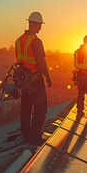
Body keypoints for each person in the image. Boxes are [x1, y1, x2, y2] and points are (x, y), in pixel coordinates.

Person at [15, 11, 52, 145]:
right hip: (35, 79)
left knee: (25, 108)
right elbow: (41, 62)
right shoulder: (36, 41)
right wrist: (48, 77)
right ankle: (35, 137)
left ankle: (26, 135)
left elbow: (20, 61)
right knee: (40, 107)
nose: (41, 27)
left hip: (24, 81)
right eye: (40, 25)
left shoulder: (19, 40)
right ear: (35, 24)